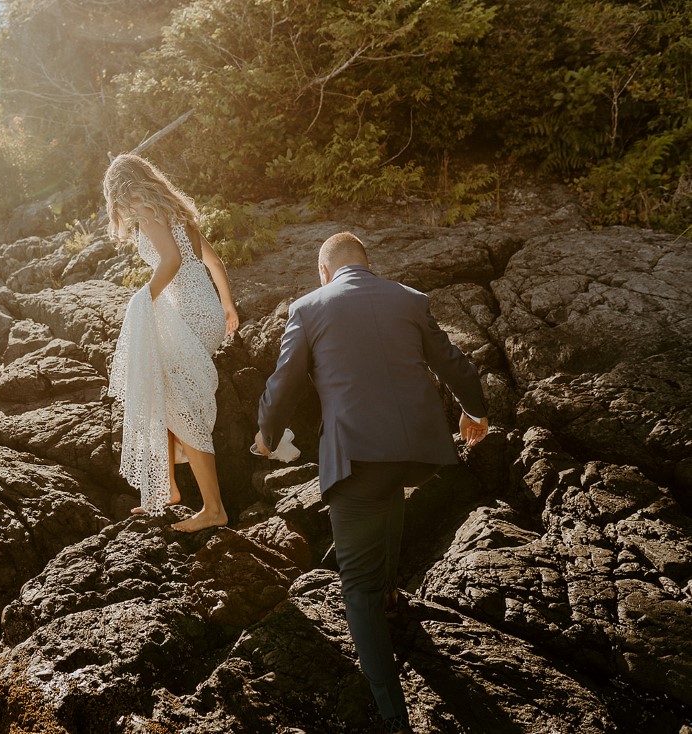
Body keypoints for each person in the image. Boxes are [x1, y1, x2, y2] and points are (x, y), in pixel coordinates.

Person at [255, 232, 488, 733]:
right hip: (419, 452)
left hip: (357, 455)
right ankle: (390, 596)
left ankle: (391, 715)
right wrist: (476, 412)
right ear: (367, 264)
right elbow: (455, 363)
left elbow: (283, 382)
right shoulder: (408, 298)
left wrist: (267, 434)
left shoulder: (308, 307)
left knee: (353, 587)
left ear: (325, 272)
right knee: (389, 492)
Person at [104, 153, 239, 533]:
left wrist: (144, 297)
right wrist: (228, 306)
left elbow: (171, 260)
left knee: (180, 402)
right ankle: (165, 490)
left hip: (191, 315)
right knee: (157, 387)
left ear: (119, 189)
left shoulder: (145, 210)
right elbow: (214, 263)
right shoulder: (176, 212)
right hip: (206, 311)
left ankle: (213, 508)